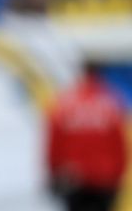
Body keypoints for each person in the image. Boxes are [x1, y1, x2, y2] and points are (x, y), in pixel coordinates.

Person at [46, 60, 129, 211]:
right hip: (106, 179)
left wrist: (53, 173)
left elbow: (54, 143)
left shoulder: (65, 104)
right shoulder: (112, 104)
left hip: (74, 179)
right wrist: (119, 176)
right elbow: (119, 145)